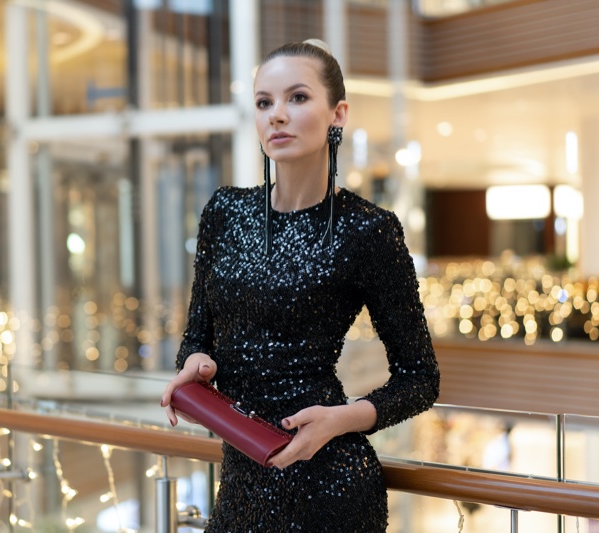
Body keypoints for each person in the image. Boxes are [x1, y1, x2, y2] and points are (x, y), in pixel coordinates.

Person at [160, 39, 440, 532]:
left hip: (331, 488)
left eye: (297, 98)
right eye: (264, 103)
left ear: (338, 113)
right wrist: (196, 364)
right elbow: (196, 335)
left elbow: (420, 379)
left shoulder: (369, 230)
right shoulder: (225, 212)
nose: (277, 115)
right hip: (242, 481)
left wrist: (340, 419)